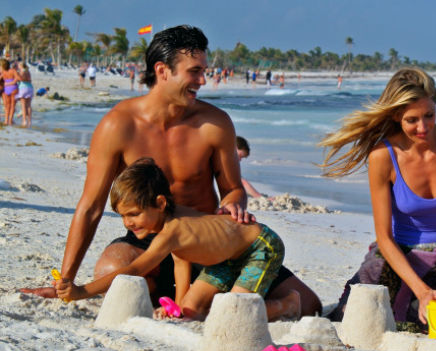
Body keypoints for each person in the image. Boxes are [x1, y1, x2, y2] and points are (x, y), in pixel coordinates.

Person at [21, 25, 321, 317]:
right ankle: (186, 297)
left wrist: (234, 204)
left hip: (205, 241)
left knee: (311, 305)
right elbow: (91, 206)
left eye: (204, 70)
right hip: (149, 243)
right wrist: (66, 282)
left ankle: (201, 297)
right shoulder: (118, 125)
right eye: (195, 71)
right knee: (113, 271)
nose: (203, 80)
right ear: (163, 71)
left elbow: (233, 188)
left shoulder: (215, 124)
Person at [320, 67, 436, 329]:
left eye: (429, 115)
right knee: (356, 318)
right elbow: (385, 238)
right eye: (412, 120)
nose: (423, 127)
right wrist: (422, 292)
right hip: (399, 259)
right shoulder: (383, 156)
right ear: (397, 115)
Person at [55, 159, 302, 321]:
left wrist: (81, 291)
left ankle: (288, 304)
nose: (128, 223)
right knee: (190, 311)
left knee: (232, 313)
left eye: (134, 214)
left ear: (160, 203)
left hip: (259, 247)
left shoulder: (171, 230)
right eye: (123, 216)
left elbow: (134, 269)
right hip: (226, 258)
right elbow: (181, 263)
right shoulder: (168, 222)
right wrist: (178, 307)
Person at [1, 59, 21, 125]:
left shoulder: (3, 72)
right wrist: (13, 82)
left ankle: (6, 120)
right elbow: (18, 78)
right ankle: (10, 120)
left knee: (7, 106)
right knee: (12, 106)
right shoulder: (12, 70)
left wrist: (5, 83)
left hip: (6, 89)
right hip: (13, 88)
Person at [15, 63, 34, 128]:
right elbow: (30, 80)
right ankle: (29, 121)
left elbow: (21, 79)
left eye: (18, 65)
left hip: (23, 87)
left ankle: (24, 120)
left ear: (20, 66)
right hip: (30, 88)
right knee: (29, 105)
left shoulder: (21, 71)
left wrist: (17, 77)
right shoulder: (28, 71)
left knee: (23, 105)